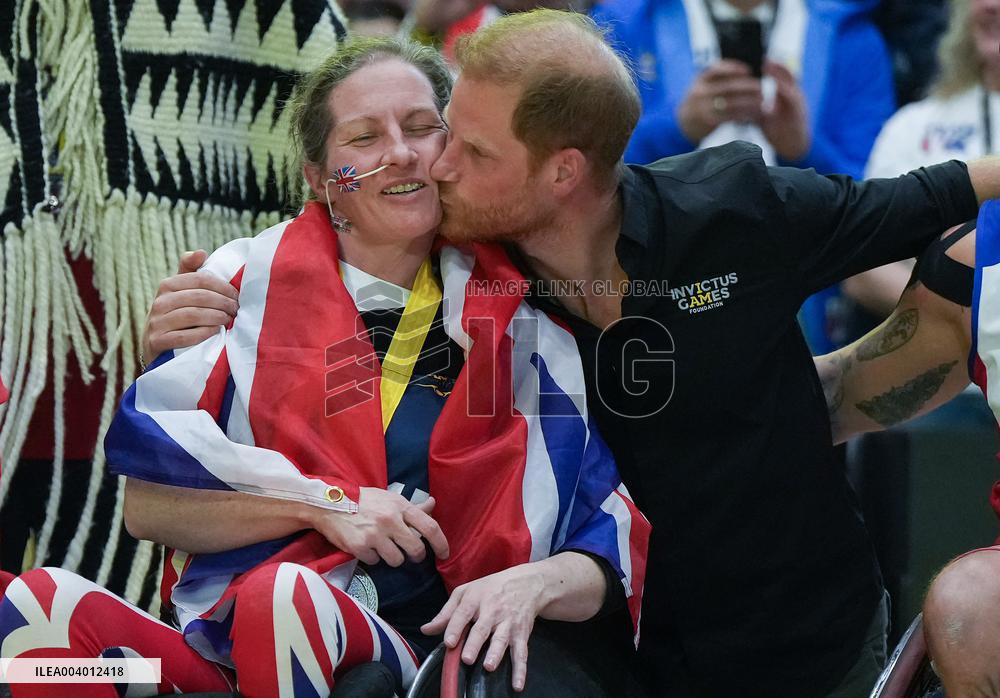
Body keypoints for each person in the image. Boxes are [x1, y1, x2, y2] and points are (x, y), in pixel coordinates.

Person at [142, 9, 1000, 696]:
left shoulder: (736, 206)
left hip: (816, 642)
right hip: (615, 657)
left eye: (465, 148)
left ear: (560, 173)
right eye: (443, 136)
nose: (435, 166)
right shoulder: (466, 264)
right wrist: (206, 305)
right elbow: (332, 241)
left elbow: (935, 194)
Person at [0, 36, 648, 698]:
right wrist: (324, 504)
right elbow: (149, 503)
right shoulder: (234, 281)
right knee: (38, 620)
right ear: (318, 179)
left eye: (423, 128)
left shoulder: (520, 312)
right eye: (365, 137)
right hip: (215, 661)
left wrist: (533, 582)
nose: (400, 151)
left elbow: (610, 536)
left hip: (401, 654)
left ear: (451, 154)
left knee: (285, 599)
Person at [590, 0, 894, 176]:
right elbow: (585, 171)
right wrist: (676, 129)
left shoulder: (852, 38)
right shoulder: (621, 24)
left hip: (804, 266)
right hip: (663, 262)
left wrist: (804, 151)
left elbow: (871, 190)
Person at [850, 0, 1000, 349]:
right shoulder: (913, 126)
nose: (993, 5)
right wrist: (973, 320)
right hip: (942, 373)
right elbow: (863, 272)